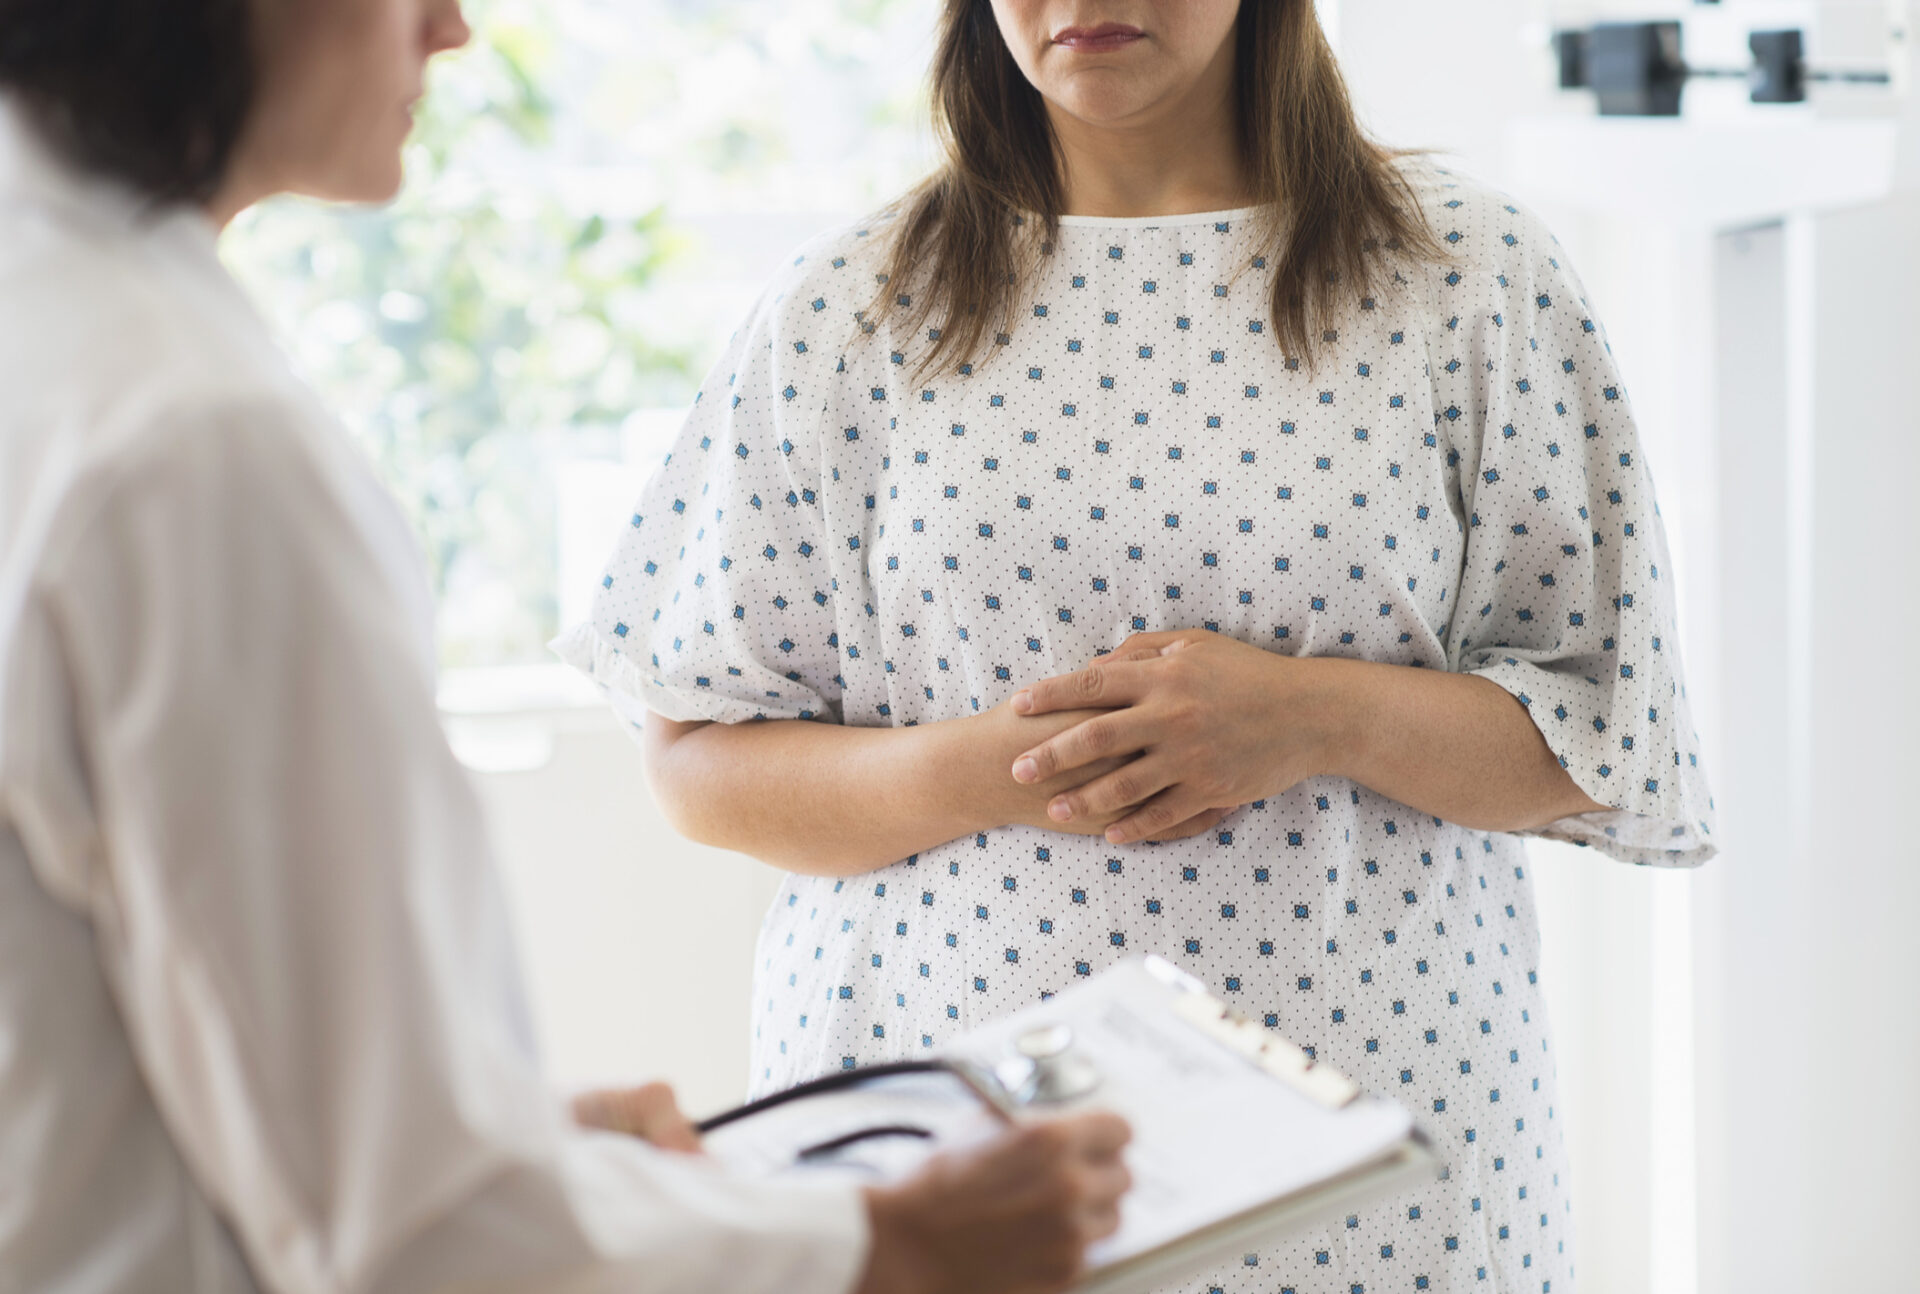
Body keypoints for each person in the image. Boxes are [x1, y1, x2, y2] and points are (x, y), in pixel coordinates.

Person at [560, 0, 1719, 1290]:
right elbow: (698, 758)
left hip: (1384, 1150)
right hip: (952, 1156)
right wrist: (1004, 766)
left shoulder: (1467, 271)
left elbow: (1604, 738)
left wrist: (1312, 715)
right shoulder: (850, 305)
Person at [0, 2, 1135, 1292]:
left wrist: (520, 1150)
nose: (452, 29)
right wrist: (889, 1246)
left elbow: (129, 1048)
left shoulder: (64, 345)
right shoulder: (191, 446)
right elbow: (418, 1232)